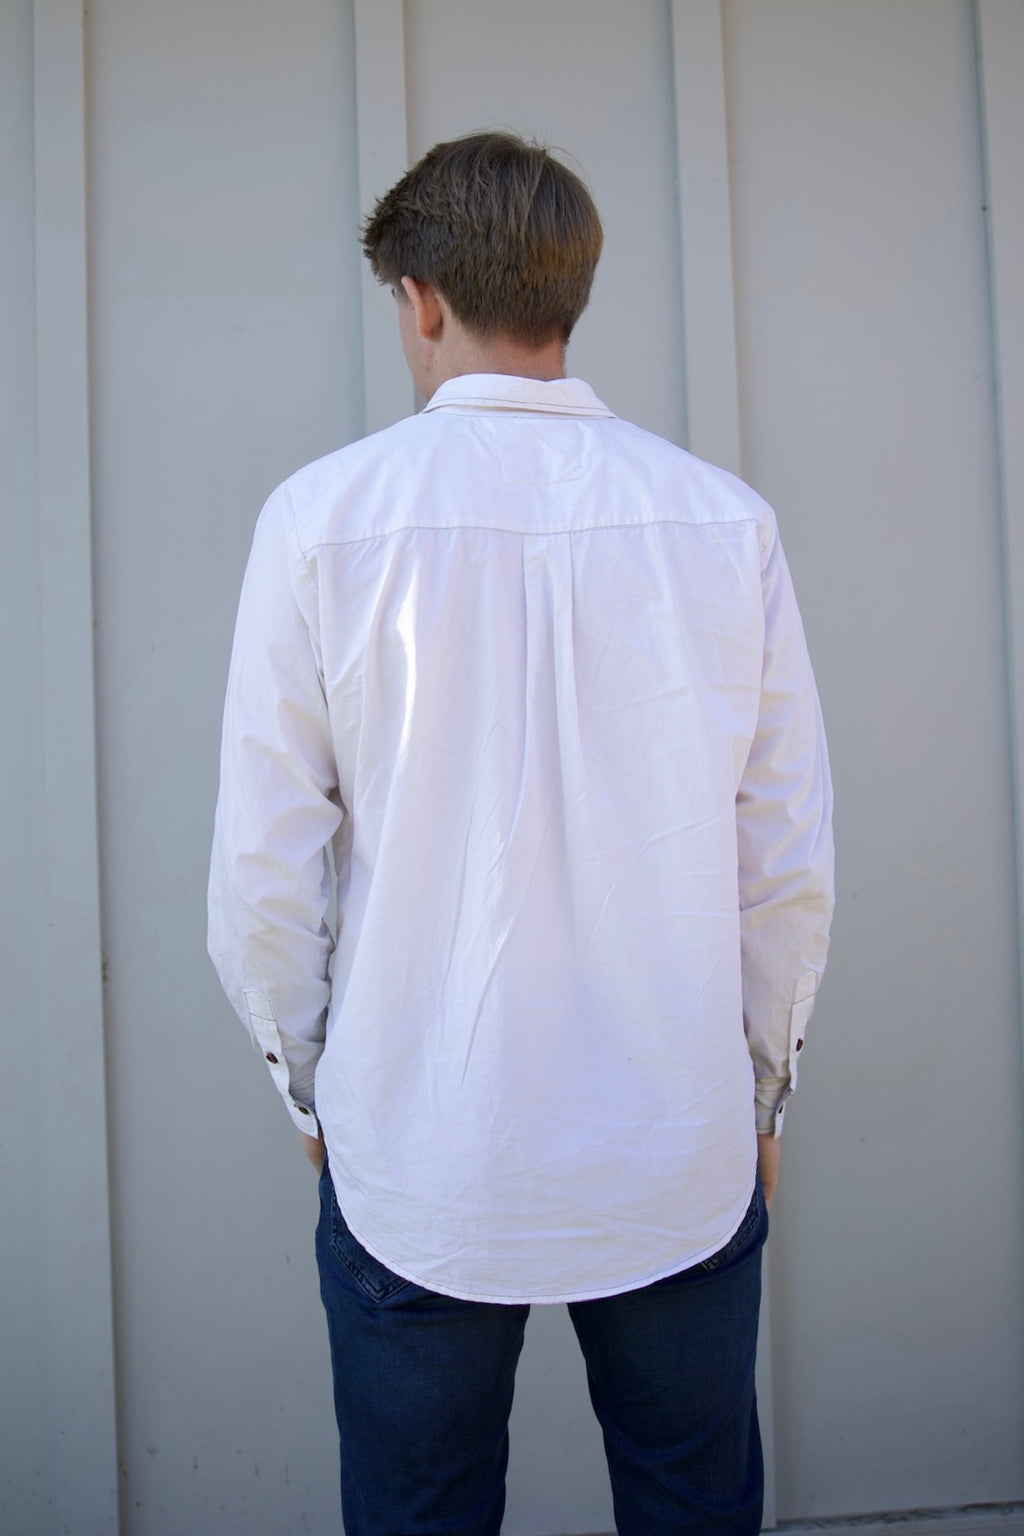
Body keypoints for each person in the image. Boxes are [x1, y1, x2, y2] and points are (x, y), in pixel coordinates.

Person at [208, 130, 834, 1536]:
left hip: (421, 1146)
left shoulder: (321, 523)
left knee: (420, 1515)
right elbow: (784, 857)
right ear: (573, 292)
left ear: (420, 298)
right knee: (692, 1504)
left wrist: (310, 1089)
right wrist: (765, 1089)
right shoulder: (724, 526)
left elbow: (262, 868)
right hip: (673, 1139)